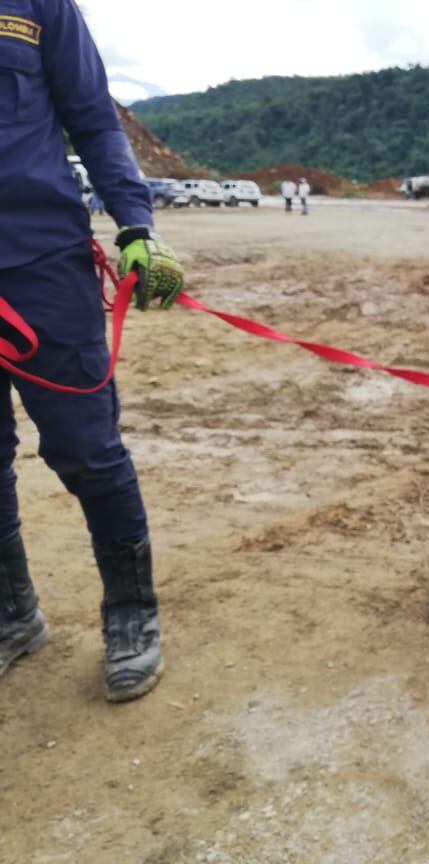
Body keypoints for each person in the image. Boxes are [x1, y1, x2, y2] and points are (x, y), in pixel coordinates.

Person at [0, 0, 185, 702]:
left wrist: (136, 223)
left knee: (89, 450)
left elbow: (93, 118)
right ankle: (14, 616)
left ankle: (132, 615)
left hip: (41, 264)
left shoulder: (38, 5)